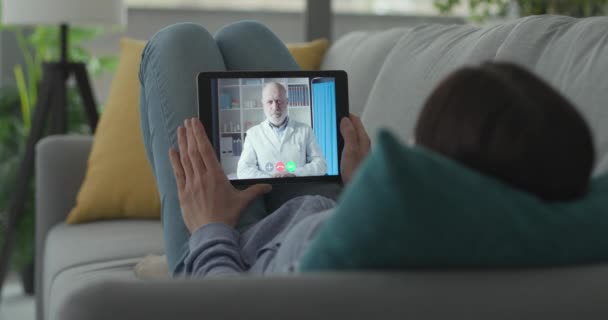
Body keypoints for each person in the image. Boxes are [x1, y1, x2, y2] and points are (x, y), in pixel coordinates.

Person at [139, 22, 595, 277]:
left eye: (422, 142)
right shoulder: (497, 220)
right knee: (244, 36)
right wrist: (360, 186)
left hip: (236, 245)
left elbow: (228, 307)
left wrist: (209, 226)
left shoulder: (343, 271)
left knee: (174, 42)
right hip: (325, 212)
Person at [237, 82, 327, 179]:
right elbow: (243, 170)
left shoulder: (305, 130)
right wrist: (271, 179)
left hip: (299, 189)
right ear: (263, 104)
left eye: (279, 101)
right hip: (266, 190)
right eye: (270, 102)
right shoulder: (253, 134)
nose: (275, 107)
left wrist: (295, 173)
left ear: (287, 102)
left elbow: (321, 165)